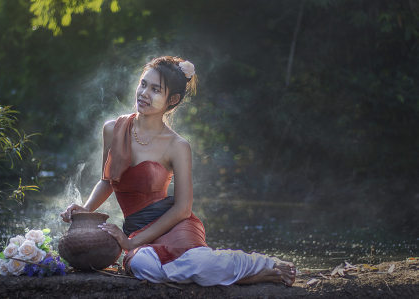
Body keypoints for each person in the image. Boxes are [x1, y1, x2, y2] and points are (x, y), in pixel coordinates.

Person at [60, 56, 296, 286]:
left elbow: (183, 209)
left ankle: (261, 266)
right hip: (136, 230)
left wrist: (130, 243)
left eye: (155, 90)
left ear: (171, 99)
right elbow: (108, 180)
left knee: (197, 262)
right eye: (143, 84)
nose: (144, 93)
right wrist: (85, 210)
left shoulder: (178, 146)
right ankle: (248, 276)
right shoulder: (113, 129)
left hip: (173, 224)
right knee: (143, 265)